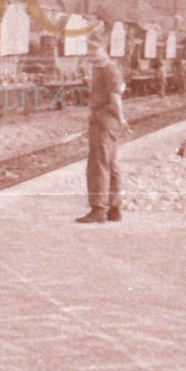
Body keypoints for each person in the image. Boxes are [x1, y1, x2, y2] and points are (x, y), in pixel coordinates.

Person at [77, 28, 130, 224]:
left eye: (94, 48)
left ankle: (98, 209)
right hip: (106, 119)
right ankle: (114, 209)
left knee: (98, 164)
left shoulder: (109, 69)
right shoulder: (103, 68)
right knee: (111, 163)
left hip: (104, 120)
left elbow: (115, 98)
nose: (90, 52)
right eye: (88, 48)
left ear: (104, 48)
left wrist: (122, 120)